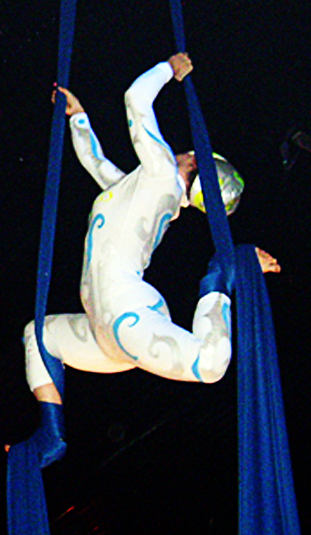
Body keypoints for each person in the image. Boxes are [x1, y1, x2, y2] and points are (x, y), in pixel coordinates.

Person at [22, 53, 280, 465]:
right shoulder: (144, 189)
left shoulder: (162, 174)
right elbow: (99, 167)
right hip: (107, 331)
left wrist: (169, 69)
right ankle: (52, 435)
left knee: (211, 366)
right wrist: (78, 118)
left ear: (194, 160)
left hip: (128, 314)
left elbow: (136, 98)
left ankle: (220, 273)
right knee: (38, 335)